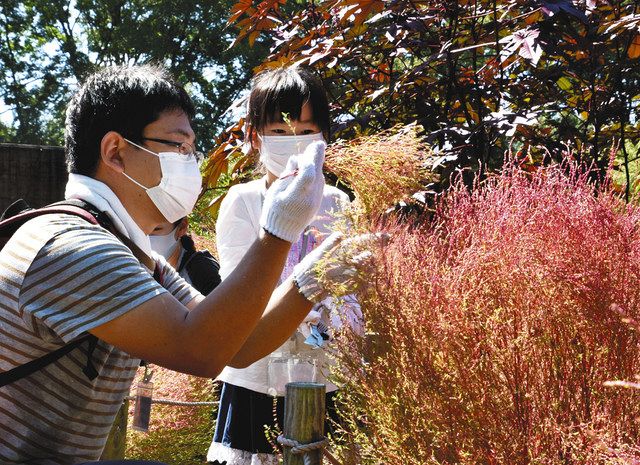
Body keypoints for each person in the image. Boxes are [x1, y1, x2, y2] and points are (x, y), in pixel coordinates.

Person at [0, 64, 366, 465]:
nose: (190, 162)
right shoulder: (72, 247)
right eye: (179, 146)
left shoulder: (139, 259)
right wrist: (279, 232)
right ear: (115, 152)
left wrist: (308, 281)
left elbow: (237, 345)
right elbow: (202, 351)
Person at [207, 66, 360, 465]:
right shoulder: (242, 201)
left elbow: (347, 293)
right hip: (256, 380)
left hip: (323, 379)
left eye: (307, 131)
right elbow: (237, 297)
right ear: (255, 137)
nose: (294, 143)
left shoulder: (337, 202)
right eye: (278, 131)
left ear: (324, 135)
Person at [150, 217, 221, 295]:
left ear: (182, 227)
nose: (146, 237)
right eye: (139, 229)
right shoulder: (142, 270)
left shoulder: (202, 268)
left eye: (155, 229)